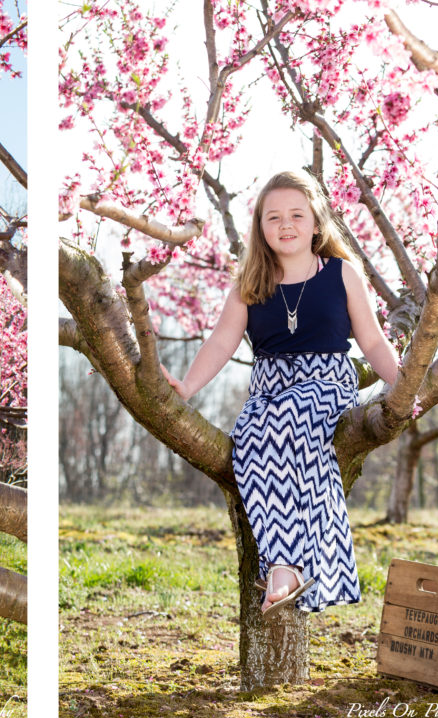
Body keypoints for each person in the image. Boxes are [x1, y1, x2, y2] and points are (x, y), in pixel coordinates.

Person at [161, 170, 398, 618]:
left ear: (316, 222)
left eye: (296, 214)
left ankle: (285, 568)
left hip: (326, 384)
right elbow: (220, 343)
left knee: (292, 417)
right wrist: (187, 386)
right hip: (269, 390)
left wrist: (401, 386)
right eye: (274, 217)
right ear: (260, 227)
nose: (285, 224)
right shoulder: (250, 284)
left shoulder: (341, 274)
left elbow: (371, 341)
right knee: (250, 442)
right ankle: (287, 564)